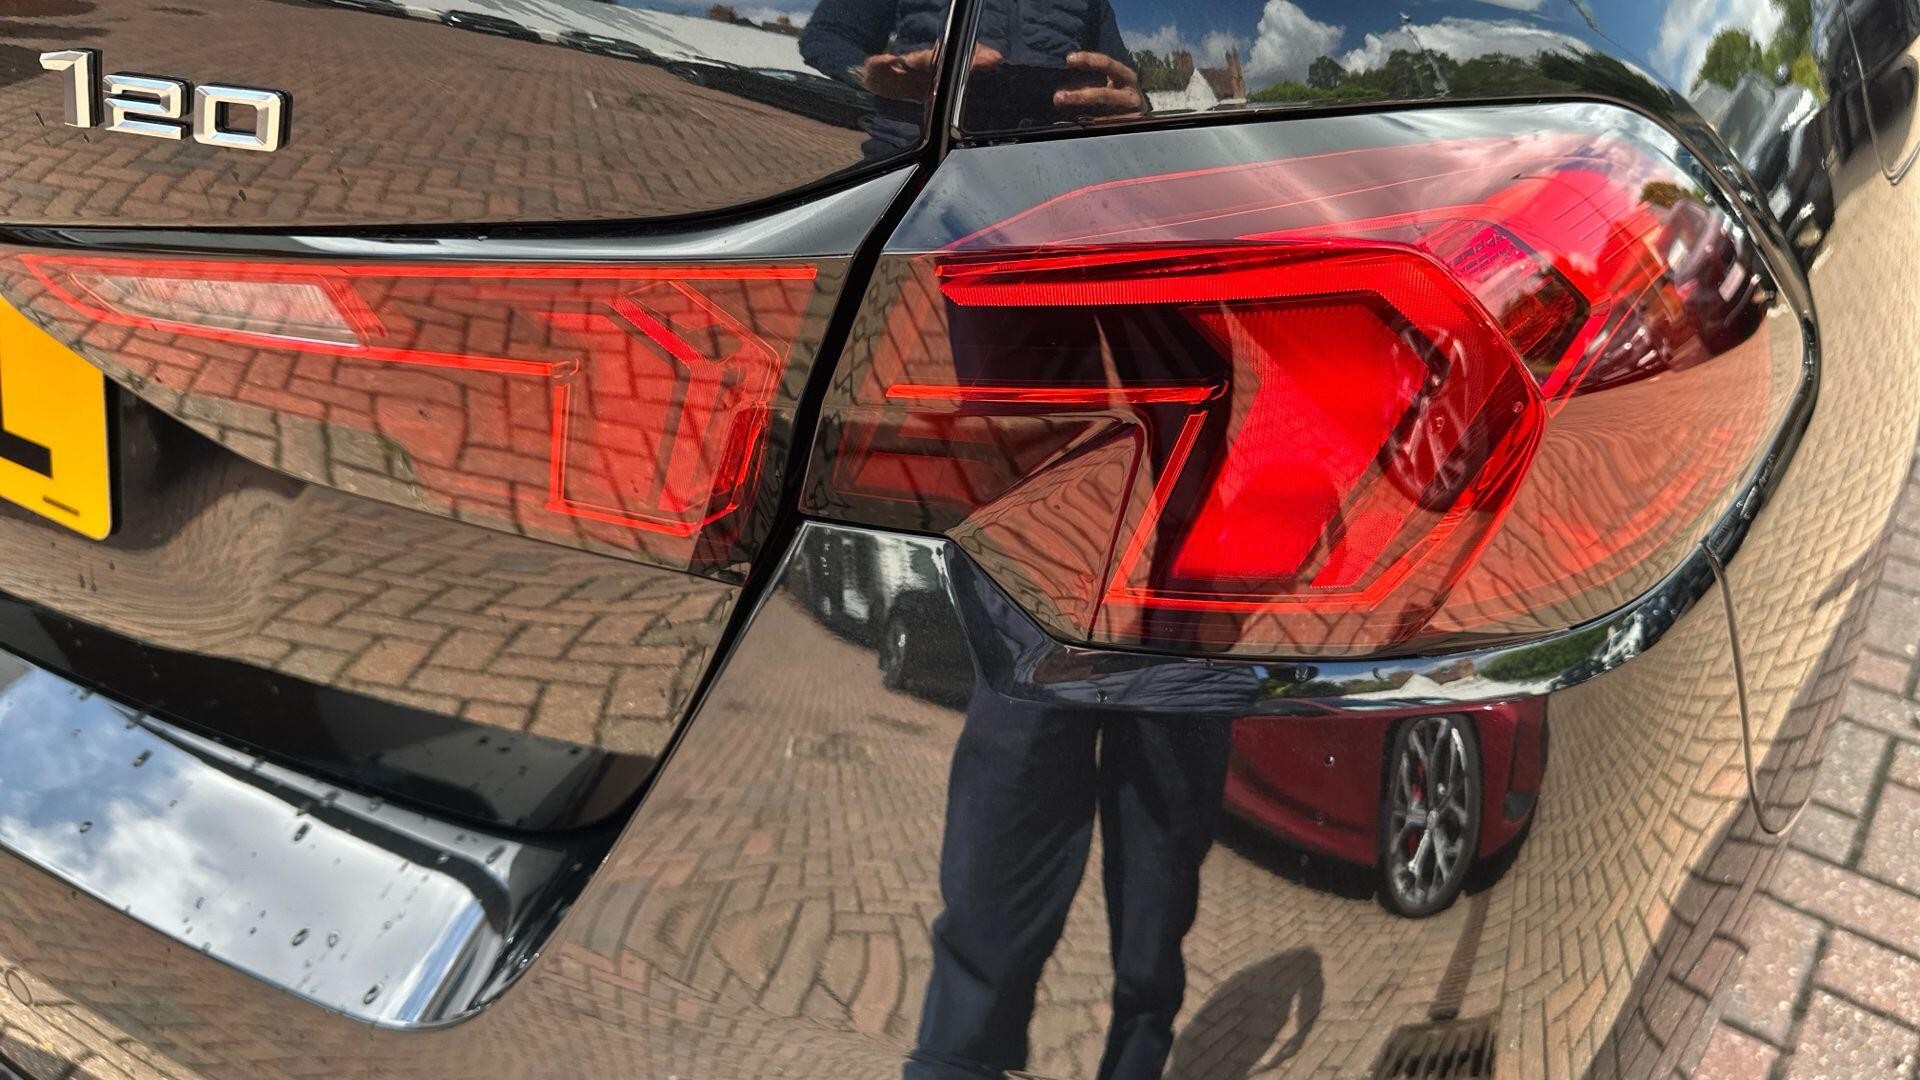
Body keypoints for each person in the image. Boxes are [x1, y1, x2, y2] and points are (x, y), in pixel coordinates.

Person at [799, 0, 1142, 159]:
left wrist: (1134, 108)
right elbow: (825, 36)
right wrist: (869, 76)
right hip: (907, 161)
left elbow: (1126, 90)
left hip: (1049, 170)